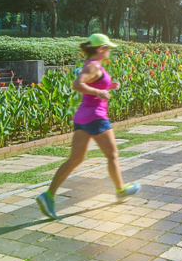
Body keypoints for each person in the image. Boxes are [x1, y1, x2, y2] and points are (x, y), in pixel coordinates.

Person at [37, 34, 140, 219]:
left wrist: (107, 87)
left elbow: (91, 84)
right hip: (96, 117)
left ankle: (48, 195)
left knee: (75, 159)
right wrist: (99, 91)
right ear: (100, 49)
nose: (110, 51)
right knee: (112, 155)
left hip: (83, 118)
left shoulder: (93, 65)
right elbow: (77, 84)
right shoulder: (93, 66)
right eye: (108, 48)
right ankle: (121, 189)